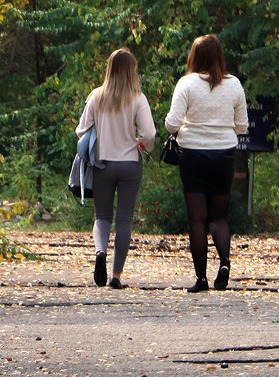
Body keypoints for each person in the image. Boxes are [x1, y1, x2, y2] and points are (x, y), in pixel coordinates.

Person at [165, 34, 248, 292]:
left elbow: (171, 123)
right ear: (219, 56)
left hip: (193, 156)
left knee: (197, 220)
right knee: (218, 217)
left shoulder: (187, 84)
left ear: (194, 57)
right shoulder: (234, 84)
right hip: (224, 155)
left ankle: (201, 279)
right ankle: (224, 262)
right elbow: (242, 126)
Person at [75, 48, 157, 288]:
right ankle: (116, 277)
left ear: (109, 69)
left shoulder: (97, 96)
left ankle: (100, 253)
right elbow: (149, 133)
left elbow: (81, 130)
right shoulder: (138, 99)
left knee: (102, 217)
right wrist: (144, 145)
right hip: (130, 164)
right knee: (124, 220)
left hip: (102, 164)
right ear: (132, 72)